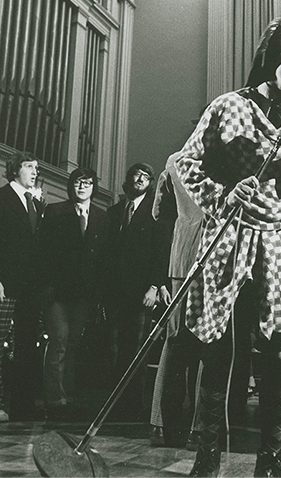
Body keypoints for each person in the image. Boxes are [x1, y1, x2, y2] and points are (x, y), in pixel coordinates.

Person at [175, 17, 281, 477]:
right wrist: (222, 194)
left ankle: (271, 455)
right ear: (274, 56)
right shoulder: (228, 105)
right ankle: (207, 453)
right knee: (217, 341)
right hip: (231, 229)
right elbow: (185, 163)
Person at [37, 168, 108, 421]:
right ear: (71, 186)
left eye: (87, 183)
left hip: (84, 293)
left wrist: (97, 293)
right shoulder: (55, 211)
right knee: (59, 341)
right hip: (57, 291)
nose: (82, 187)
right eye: (78, 182)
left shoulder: (101, 216)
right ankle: (55, 400)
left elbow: (102, 258)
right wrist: (46, 285)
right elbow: (44, 251)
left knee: (74, 345)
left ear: (93, 188)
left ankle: (69, 399)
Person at [0, 151, 44, 422]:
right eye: (29, 166)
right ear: (15, 169)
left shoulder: (38, 205)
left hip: (30, 288)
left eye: (36, 168)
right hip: (3, 284)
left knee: (27, 347)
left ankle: (22, 405)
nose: (34, 172)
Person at [148, 151, 206, 447]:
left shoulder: (174, 160)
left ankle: (160, 423)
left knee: (174, 341)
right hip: (215, 253)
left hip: (182, 255)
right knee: (209, 343)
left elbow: (159, 212)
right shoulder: (228, 156)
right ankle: (200, 426)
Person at [104, 162, 167, 421]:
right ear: (128, 179)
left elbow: (161, 251)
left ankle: (133, 406)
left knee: (136, 351)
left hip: (142, 292)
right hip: (115, 293)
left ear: (151, 182)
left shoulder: (156, 211)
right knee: (115, 349)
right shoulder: (115, 211)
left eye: (146, 176)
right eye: (136, 175)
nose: (140, 179)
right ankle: (114, 404)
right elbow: (106, 254)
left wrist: (154, 286)